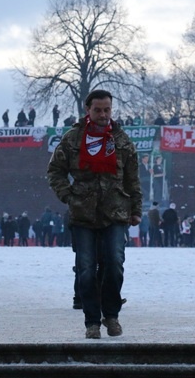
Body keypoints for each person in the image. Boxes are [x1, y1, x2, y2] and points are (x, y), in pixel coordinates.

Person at [47, 89, 142, 339]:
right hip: (83, 214)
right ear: (88, 110)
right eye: (98, 110)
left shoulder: (121, 140)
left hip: (116, 212)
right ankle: (92, 322)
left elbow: (133, 179)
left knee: (115, 264)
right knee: (86, 269)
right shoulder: (73, 139)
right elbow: (55, 171)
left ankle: (111, 316)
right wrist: (68, 195)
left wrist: (136, 210)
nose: (103, 114)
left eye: (107, 110)